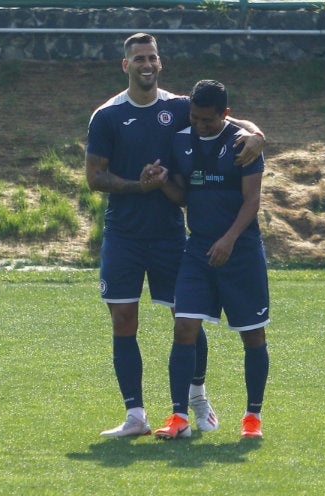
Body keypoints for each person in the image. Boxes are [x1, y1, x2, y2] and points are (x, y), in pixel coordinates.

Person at [85, 33, 265, 437]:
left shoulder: (181, 107)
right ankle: (135, 416)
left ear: (160, 63)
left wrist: (258, 136)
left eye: (152, 58)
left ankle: (196, 401)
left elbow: (231, 120)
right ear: (125, 65)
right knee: (123, 319)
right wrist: (138, 186)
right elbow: (95, 178)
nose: (146, 65)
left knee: (187, 321)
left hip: (170, 235)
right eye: (138, 59)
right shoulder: (107, 115)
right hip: (124, 234)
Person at [146, 79, 270, 440]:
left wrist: (229, 240)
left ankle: (252, 418)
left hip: (241, 250)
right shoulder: (181, 141)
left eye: (208, 121)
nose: (200, 126)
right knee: (184, 326)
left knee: (252, 336)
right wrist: (162, 182)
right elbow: (183, 196)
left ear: (225, 114)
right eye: (195, 119)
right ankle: (178, 416)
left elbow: (252, 200)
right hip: (198, 250)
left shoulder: (244, 144)